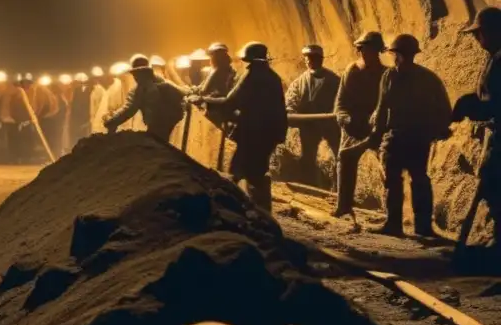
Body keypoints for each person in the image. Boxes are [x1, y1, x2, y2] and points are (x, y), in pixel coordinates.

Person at [370, 34, 452, 237]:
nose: (395, 58)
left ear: (399, 55)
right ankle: (413, 226)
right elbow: (444, 109)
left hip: (406, 137)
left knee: (403, 180)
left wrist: (376, 134)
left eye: (396, 54)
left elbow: (382, 109)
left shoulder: (396, 77)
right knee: (410, 179)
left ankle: (404, 225)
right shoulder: (422, 77)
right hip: (409, 137)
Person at [193, 42, 288, 211]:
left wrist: (204, 100)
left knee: (239, 171)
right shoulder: (273, 76)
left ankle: (241, 210)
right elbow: (280, 109)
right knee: (255, 171)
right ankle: (259, 210)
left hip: (252, 133)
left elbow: (230, 101)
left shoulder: (252, 75)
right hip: (269, 134)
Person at [452, 7, 501, 248]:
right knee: (493, 189)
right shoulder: (493, 58)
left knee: (494, 187)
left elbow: (496, 104)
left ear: (490, 32)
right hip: (495, 136)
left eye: (477, 34)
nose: (476, 40)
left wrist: (472, 107)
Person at [332, 32, 387, 218]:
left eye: (368, 49)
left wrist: (379, 122)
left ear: (378, 51)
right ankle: (344, 205)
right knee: (345, 159)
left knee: (388, 164)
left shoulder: (385, 74)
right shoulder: (352, 70)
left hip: (377, 126)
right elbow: (341, 99)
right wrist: (343, 116)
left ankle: (392, 212)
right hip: (353, 125)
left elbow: (388, 102)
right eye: (362, 49)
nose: (364, 53)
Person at [285, 44, 342, 187]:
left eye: (314, 58)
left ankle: (338, 188)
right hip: (309, 126)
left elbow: (343, 100)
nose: (310, 61)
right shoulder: (299, 83)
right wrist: (291, 111)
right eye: (307, 58)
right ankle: (310, 187)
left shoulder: (335, 81)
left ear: (321, 59)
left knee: (340, 156)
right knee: (308, 157)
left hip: (331, 125)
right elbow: (291, 101)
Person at [104, 54, 185, 142]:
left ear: (136, 72)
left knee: (156, 147)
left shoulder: (141, 89)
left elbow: (129, 109)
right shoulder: (162, 82)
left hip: (156, 124)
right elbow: (181, 94)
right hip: (171, 121)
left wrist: (112, 122)